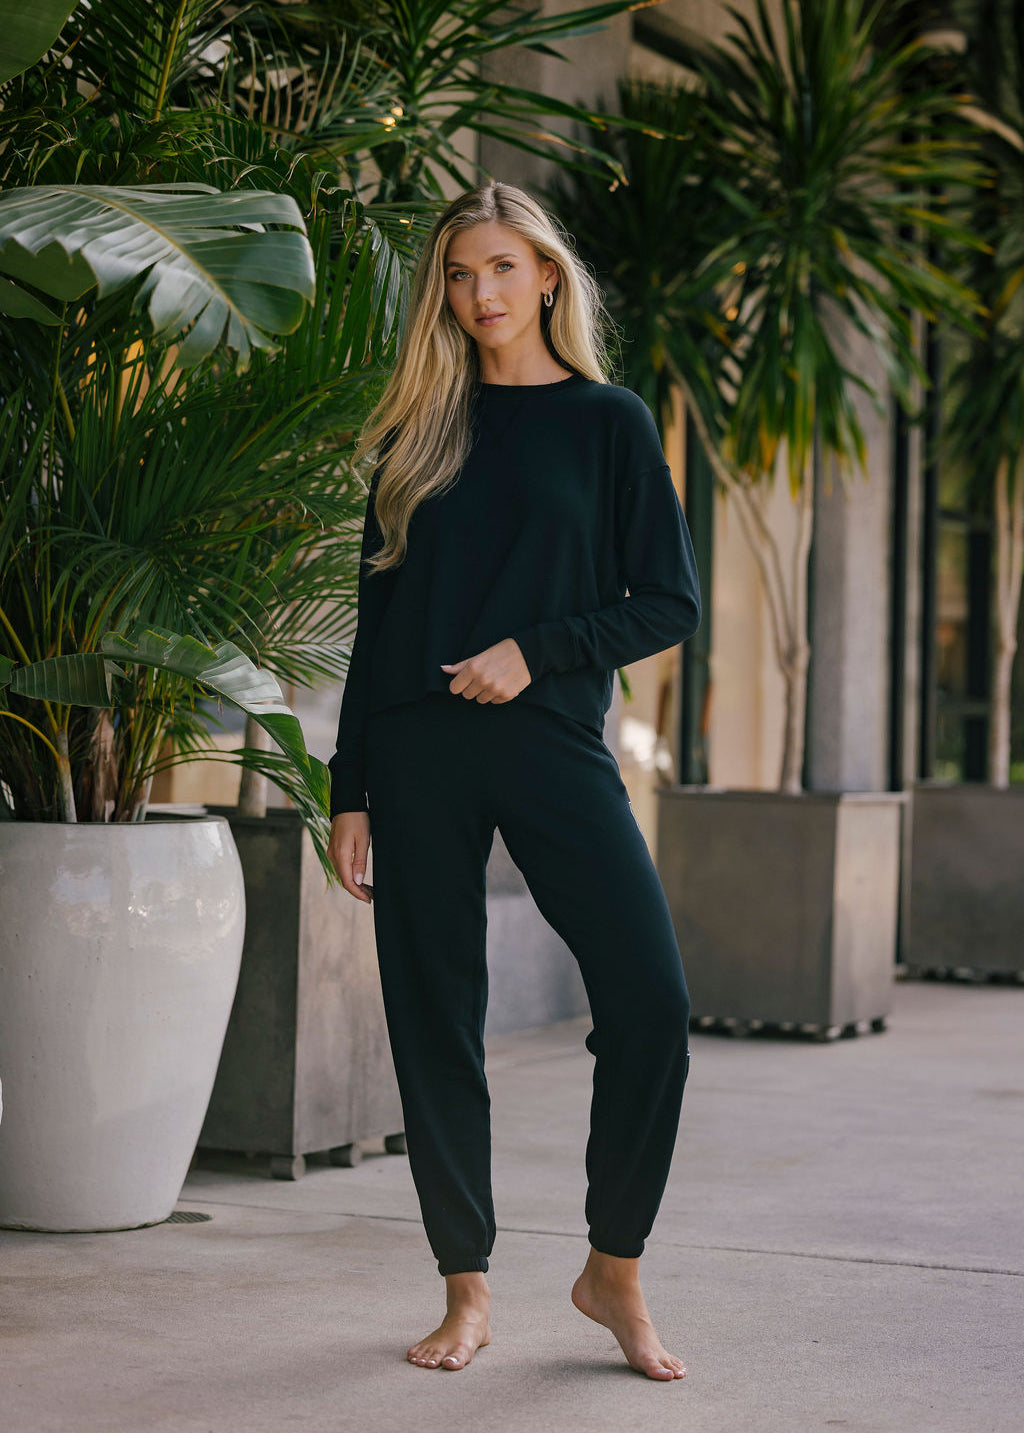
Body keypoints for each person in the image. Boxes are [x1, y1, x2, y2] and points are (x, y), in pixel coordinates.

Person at [326, 180, 701, 1381]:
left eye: (499, 267)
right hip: (415, 747)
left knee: (648, 998)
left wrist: (533, 650)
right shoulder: (415, 429)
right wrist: (350, 786)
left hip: (549, 739)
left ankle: (614, 1270)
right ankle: (465, 1287)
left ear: (546, 274)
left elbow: (667, 599)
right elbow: (376, 625)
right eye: (455, 273)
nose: (477, 293)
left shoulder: (609, 423)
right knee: (435, 1013)